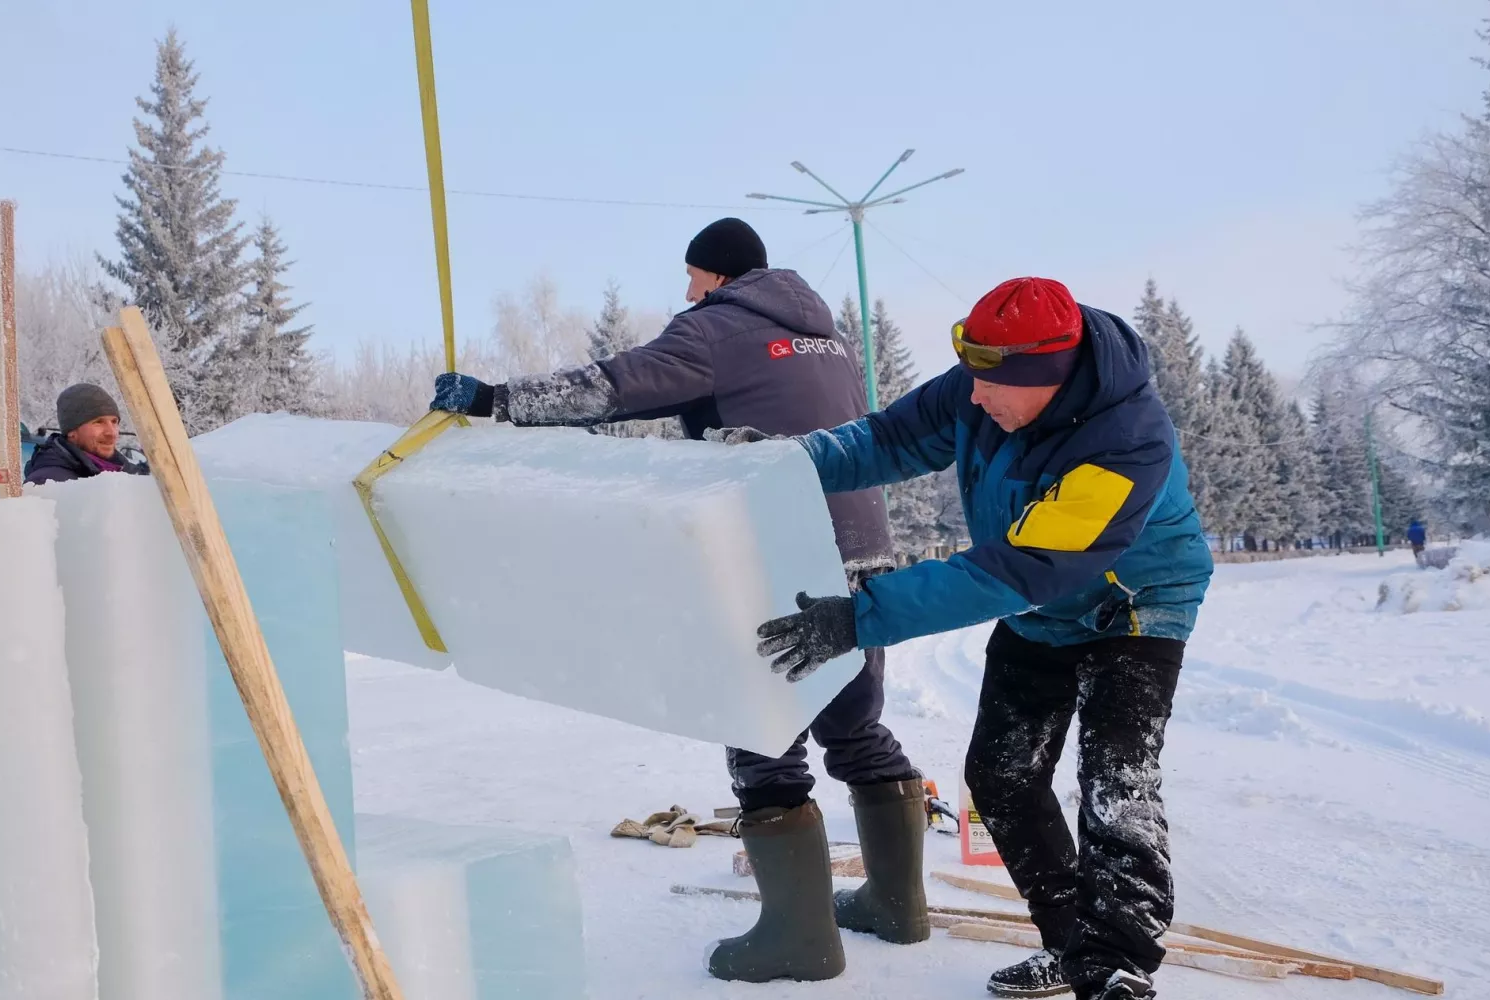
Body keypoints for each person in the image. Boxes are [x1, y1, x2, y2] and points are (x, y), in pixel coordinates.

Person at [429, 218, 928, 983]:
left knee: (762, 732)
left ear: (719, 276)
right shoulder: (824, 334)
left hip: (775, 555)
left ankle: (800, 939)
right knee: (854, 724)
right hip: (858, 549)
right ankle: (897, 907)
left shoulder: (719, 328)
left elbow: (616, 386)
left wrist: (495, 398)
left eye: (692, 275)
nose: (686, 290)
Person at [741, 277, 1213, 1000]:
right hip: (1040, 603)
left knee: (1115, 780)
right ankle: (1070, 942)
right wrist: (787, 460)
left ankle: (1116, 964)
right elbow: (887, 439)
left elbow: (1021, 567)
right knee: (1001, 777)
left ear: (1048, 381)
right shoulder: (986, 382)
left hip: (1135, 604)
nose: (977, 397)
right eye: (975, 379)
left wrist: (857, 616)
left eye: (994, 387)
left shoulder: (1126, 441)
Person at [24, 383, 150, 485]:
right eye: (98, 422)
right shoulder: (49, 483)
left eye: (114, 422)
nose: (111, 433)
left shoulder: (124, 471)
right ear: (72, 431)